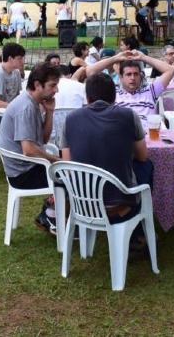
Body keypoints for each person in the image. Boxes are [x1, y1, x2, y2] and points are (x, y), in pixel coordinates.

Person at [61, 73, 152, 245]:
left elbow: (68, 166)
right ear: (114, 96)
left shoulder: (70, 120)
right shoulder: (129, 116)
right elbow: (142, 156)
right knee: (146, 166)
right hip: (121, 206)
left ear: (87, 97)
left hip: (82, 204)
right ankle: (139, 231)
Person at [0, 62, 61, 235]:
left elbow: (43, 139)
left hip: (26, 166)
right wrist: (58, 161)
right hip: (22, 173)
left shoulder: (32, 102)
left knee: (68, 170)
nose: (56, 91)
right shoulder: (26, 107)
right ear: (37, 85)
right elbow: (29, 150)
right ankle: (50, 216)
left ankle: (53, 215)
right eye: (52, 85)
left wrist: (49, 112)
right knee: (69, 174)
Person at [115, 50, 174, 128]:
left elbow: (171, 69)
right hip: (124, 134)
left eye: (136, 74)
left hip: (148, 135)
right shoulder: (114, 94)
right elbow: (94, 71)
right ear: (121, 78)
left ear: (141, 76)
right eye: (128, 74)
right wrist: (115, 58)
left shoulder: (150, 92)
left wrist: (143, 57)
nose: (133, 78)